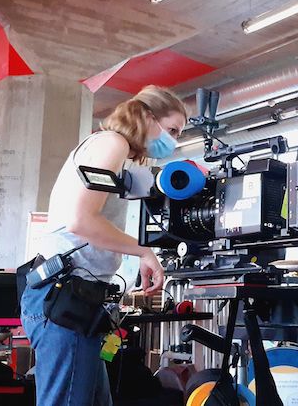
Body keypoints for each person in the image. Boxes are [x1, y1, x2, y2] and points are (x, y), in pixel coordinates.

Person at [20, 85, 187, 406]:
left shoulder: (114, 152)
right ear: (149, 117)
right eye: (172, 130)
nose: (174, 141)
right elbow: (81, 220)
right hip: (64, 298)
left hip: (78, 301)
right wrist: (142, 250)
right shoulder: (112, 143)